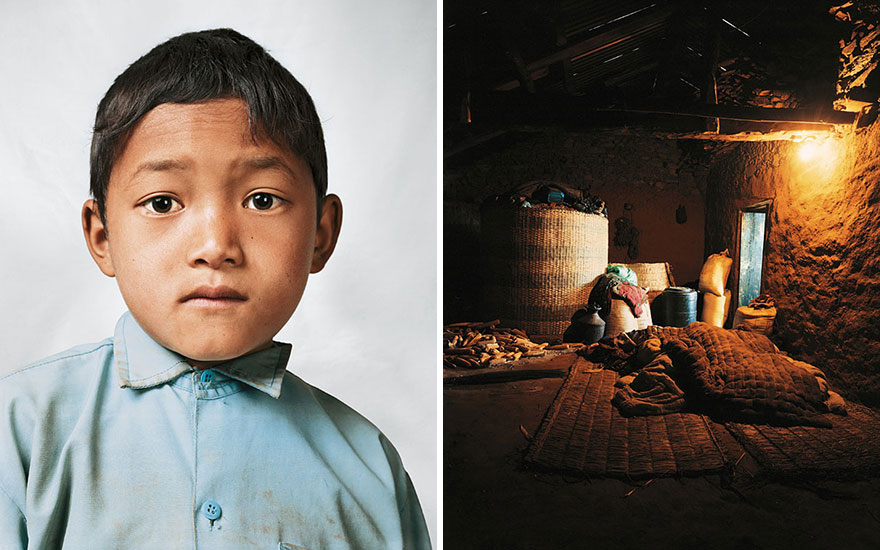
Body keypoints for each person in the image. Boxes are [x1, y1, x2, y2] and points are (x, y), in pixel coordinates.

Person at [0, 28, 430, 549]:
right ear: (102, 236)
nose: (215, 245)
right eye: (163, 202)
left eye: (263, 200)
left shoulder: (370, 468)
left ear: (321, 234)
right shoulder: (21, 433)